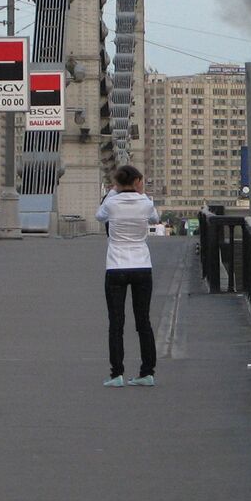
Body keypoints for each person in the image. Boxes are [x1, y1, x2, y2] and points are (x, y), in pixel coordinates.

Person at [96, 164, 159, 388]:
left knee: (116, 323)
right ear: (136, 181)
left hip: (116, 267)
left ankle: (117, 374)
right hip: (142, 266)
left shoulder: (111, 203)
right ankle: (147, 372)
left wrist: (114, 190)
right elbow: (154, 219)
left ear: (118, 182)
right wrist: (141, 194)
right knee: (143, 322)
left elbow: (99, 216)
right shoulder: (145, 203)